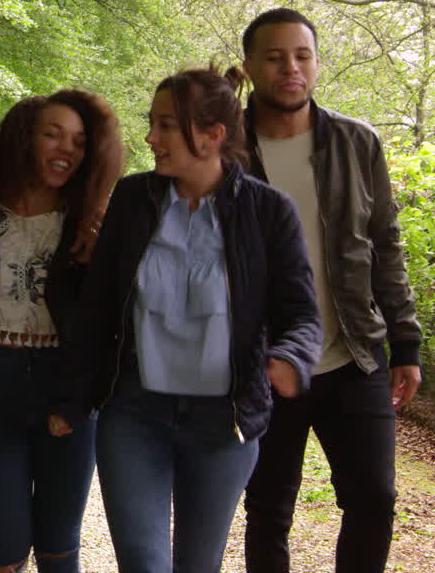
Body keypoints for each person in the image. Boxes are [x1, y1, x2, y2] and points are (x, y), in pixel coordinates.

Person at [62, 65, 322, 573]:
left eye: (165, 126)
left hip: (223, 425)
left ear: (211, 136)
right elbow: (96, 308)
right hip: (134, 415)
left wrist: (290, 358)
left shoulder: (269, 212)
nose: (150, 137)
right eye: (152, 122)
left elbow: (302, 315)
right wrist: (72, 396)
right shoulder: (134, 200)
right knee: (143, 563)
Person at [239, 8, 423, 573]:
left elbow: (385, 247)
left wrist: (405, 343)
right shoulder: (226, 150)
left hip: (354, 354)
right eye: (274, 57)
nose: (290, 68)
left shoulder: (357, 142)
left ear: (316, 64)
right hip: (264, 362)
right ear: (249, 68)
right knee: (268, 509)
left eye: (302, 55)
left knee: (374, 498)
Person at [0, 90, 124, 573]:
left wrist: (76, 398)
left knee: (57, 544)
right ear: (23, 139)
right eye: (52, 134)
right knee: (3, 549)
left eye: (77, 140)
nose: (66, 148)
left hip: (67, 390)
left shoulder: (93, 223)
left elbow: (107, 327)